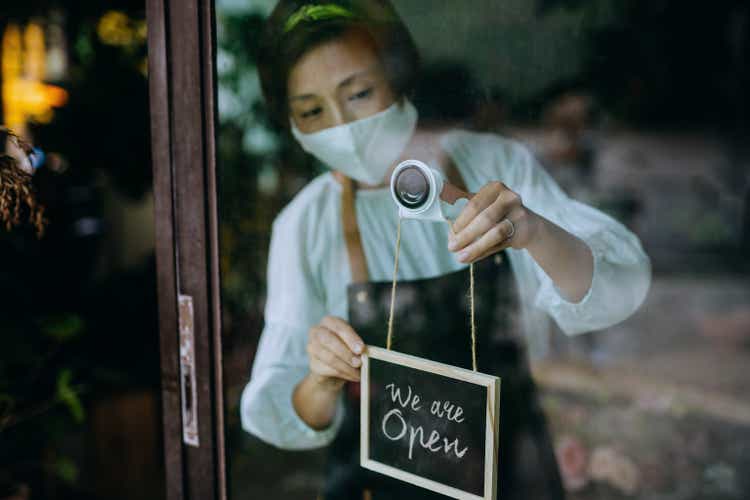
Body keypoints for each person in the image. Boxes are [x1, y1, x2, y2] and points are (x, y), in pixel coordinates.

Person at [240, 1, 651, 498]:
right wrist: (322, 380)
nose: (340, 125)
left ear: (401, 79)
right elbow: (281, 408)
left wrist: (536, 232)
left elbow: (617, 285)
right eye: (311, 111)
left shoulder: (494, 163)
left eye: (360, 93)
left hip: (512, 471)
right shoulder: (304, 225)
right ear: (292, 124)